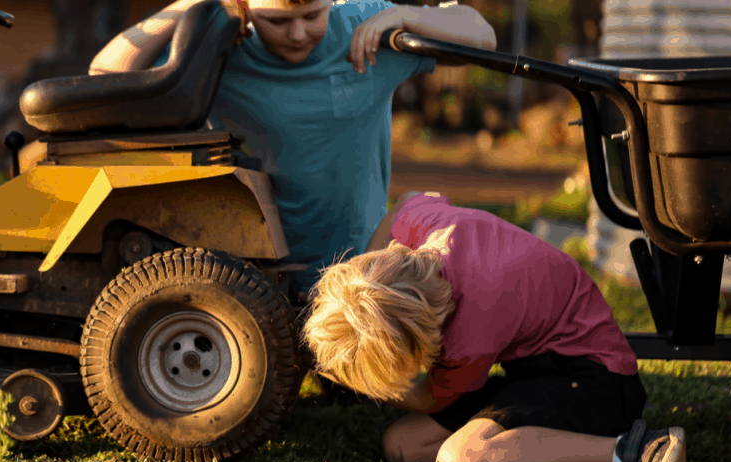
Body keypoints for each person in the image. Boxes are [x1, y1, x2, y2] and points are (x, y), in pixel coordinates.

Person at [89, 0, 496, 294]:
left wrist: (406, 16)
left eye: (312, 15)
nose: (298, 34)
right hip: (249, 274)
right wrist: (197, 5)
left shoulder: (364, 27)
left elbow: (483, 38)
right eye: (277, 21)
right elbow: (106, 72)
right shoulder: (220, 45)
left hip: (358, 271)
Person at [302, 190, 686, 462]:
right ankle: (533, 453)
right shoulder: (422, 225)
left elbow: (427, 398)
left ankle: (636, 451)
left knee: (462, 460)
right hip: (536, 371)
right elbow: (404, 203)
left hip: (597, 383)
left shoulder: (468, 333)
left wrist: (365, 384)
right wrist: (367, 278)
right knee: (404, 444)